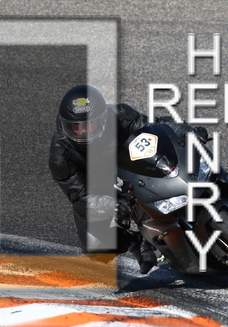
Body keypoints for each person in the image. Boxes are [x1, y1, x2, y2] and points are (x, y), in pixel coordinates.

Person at [48, 85, 208, 274]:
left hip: (136, 173)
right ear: (66, 126)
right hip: (102, 193)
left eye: (89, 123)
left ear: (102, 118)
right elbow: (80, 200)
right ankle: (136, 241)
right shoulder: (60, 157)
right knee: (95, 247)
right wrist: (112, 206)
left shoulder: (120, 115)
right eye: (76, 126)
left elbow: (158, 125)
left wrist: (187, 131)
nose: (83, 131)